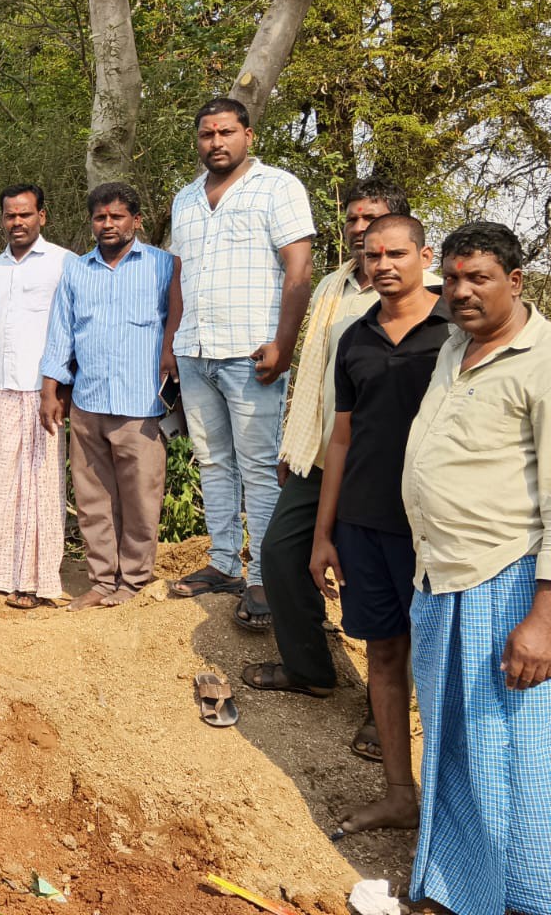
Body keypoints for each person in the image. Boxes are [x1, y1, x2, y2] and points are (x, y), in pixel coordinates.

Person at [400, 222, 551, 915]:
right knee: (454, 742)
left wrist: (542, 619)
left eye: (478, 278)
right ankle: (459, 888)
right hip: (441, 574)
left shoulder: (542, 361)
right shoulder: (455, 345)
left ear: (515, 282)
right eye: (453, 278)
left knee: (510, 752)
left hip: (508, 580)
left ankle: (526, 896)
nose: (460, 292)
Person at [243, 178, 414, 765]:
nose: (361, 230)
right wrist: (293, 445)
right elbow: (313, 372)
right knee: (280, 552)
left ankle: (384, 710)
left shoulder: (421, 296)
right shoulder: (333, 285)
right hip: (319, 452)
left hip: (382, 466)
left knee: (379, 578)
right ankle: (309, 669)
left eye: (373, 219)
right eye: (353, 219)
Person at [307, 215, 447, 840]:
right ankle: (398, 795)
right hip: (364, 523)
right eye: (372, 255)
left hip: (438, 528)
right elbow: (341, 437)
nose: (383, 264)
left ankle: (453, 811)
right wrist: (324, 534)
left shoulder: (459, 327)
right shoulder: (354, 336)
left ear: (425, 255)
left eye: (396, 253)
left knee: (444, 666)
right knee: (384, 654)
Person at [168, 98, 315, 632]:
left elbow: (299, 268)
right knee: (212, 461)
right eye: (207, 134)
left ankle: (266, 576)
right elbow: (179, 276)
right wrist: (172, 343)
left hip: (252, 352)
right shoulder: (186, 198)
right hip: (195, 349)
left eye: (226, 132)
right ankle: (225, 563)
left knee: (258, 466)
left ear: (248, 135)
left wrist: (284, 342)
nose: (216, 142)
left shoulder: (278, 187)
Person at [38, 182, 178, 609]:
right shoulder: (77, 270)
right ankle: (101, 580)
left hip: (142, 405)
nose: (108, 224)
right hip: (89, 401)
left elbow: (176, 324)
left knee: (141, 499)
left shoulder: (164, 266)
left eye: (117, 216)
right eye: (100, 217)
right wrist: (50, 389)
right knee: (93, 499)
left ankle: (133, 582)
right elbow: (61, 333)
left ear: (136, 220)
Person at [0, 184, 74, 609]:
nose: (17, 222)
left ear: (41, 217)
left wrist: (59, 387)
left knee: (40, 487)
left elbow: (69, 330)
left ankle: (36, 579)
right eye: (10, 215)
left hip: (41, 390)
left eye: (25, 214)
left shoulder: (62, 262)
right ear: (2, 219)